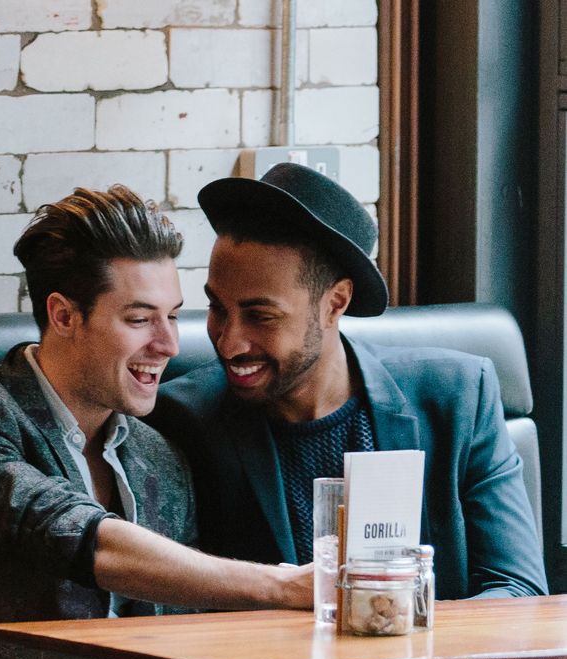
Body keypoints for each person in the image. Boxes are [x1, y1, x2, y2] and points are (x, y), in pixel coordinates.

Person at [0, 186, 312, 659]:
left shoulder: (159, 457)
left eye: (173, 315)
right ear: (64, 316)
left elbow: (183, 640)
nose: (169, 344)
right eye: (139, 319)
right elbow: (65, 531)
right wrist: (282, 587)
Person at [148, 162, 548, 600]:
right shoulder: (184, 419)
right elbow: (167, 608)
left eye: (260, 316)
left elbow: (518, 590)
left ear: (334, 303)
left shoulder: (457, 397)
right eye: (217, 308)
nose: (229, 342)